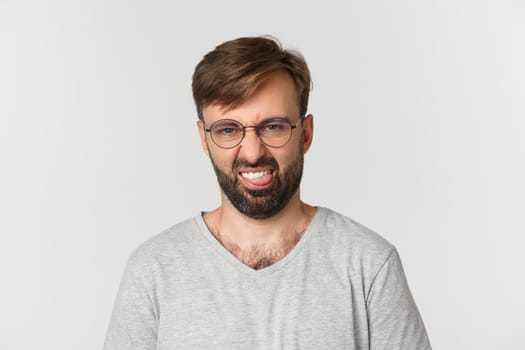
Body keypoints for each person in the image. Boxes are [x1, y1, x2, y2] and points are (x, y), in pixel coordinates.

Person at [103, 36, 432, 350]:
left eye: (272, 127)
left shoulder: (368, 264)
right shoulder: (153, 270)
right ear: (204, 139)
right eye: (228, 130)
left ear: (305, 133)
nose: (251, 151)